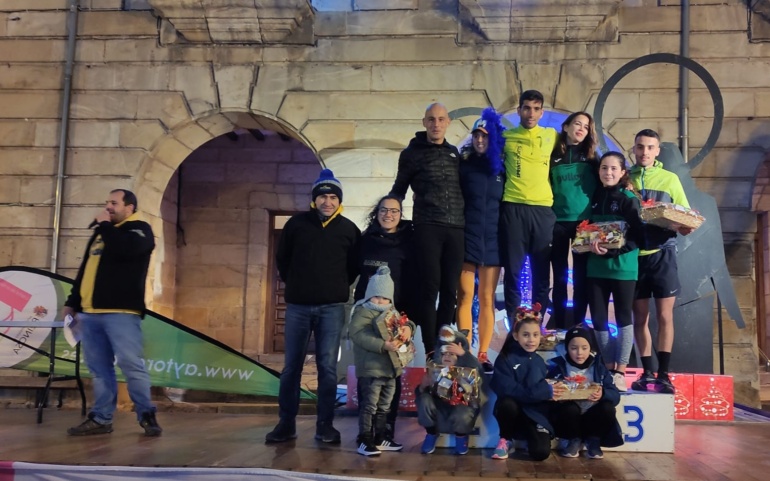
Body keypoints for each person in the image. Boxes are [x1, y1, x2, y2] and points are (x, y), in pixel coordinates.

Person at [266, 169, 361, 444]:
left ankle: (325, 426)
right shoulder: (296, 225)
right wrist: (298, 284)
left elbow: (354, 267)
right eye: (322, 197)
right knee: (291, 368)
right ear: (314, 199)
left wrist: (334, 286)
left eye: (333, 197)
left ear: (339, 201)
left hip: (332, 308)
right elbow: (282, 259)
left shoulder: (349, 230)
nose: (327, 202)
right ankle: (286, 424)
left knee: (328, 369)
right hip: (298, 307)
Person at [63, 189, 161, 437]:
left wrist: (105, 226)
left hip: (121, 313)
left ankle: (146, 415)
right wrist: (72, 302)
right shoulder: (103, 233)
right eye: (106, 202)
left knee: (131, 365)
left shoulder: (139, 230)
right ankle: (101, 418)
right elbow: (86, 270)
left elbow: (125, 251)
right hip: (90, 314)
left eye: (114, 203)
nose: (108, 207)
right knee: (99, 369)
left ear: (129, 207)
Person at [390, 102, 464, 355]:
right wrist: (386, 217)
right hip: (427, 226)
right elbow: (398, 189)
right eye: (431, 119)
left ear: (448, 123)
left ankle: (444, 344)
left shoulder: (454, 153)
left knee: (450, 291)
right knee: (429, 288)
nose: (436, 124)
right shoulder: (411, 153)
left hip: (456, 227)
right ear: (424, 122)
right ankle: (431, 349)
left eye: (441, 119)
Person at [628, 130, 693, 394]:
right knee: (639, 318)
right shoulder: (625, 177)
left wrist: (685, 225)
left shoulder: (670, 179)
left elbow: (686, 215)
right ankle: (647, 373)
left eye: (650, 147)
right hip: (634, 256)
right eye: (640, 147)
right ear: (634, 149)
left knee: (665, 316)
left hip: (663, 254)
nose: (644, 152)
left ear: (657, 151)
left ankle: (664, 375)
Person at [354, 194, 417, 440]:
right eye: (383, 210)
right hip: (367, 315)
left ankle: (385, 430)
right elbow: (351, 270)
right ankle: (365, 433)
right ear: (376, 212)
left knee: (392, 373)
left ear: (400, 215)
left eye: (394, 211)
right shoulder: (364, 241)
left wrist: (409, 323)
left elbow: (413, 283)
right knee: (368, 376)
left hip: (395, 318)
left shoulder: (408, 243)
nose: (388, 214)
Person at [583, 152, 644, 392]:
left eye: (613, 168)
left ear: (622, 172)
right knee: (598, 319)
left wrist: (614, 251)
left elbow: (639, 236)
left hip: (623, 268)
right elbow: (587, 230)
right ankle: (608, 368)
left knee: (623, 318)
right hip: (595, 268)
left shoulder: (629, 199)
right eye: (604, 168)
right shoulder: (594, 196)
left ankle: (621, 371)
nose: (608, 172)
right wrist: (586, 242)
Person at [499, 90, 558, 324]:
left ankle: (537, 327)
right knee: (513, 272)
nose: (531, 113)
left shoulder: (552, 135)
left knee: (541, 272)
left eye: (536, 109)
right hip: (513, 207)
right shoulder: (506, 137)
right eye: (526, 108)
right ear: (519, 111)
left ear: (542, 112)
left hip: (543, 210)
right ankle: (515, 327)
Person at [456, 107, 505, 366]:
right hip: (468, 239)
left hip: (493, 242)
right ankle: (464, 351)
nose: (479, 140)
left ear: (493, 138)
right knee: (464, 297)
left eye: (484, 136)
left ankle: (483, 354)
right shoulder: (464, 167)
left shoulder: (502, 169)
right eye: (476, 135)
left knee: (487, 298)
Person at [349, 266, 415, 456]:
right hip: (371, 369)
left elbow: (407, 323)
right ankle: (365, 439)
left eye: (385, 298)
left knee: (385, 406)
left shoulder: (393, 313)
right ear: (369, 295)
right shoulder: (362, 311)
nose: (380, 301)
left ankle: (381, 437)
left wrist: (408, 328)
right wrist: (382, 345)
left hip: (391, 370)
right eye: (376, 296)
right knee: (369, 406)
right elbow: (357, 334)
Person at [489, 304, 564, 461]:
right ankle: (506, 438)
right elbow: (508, 389)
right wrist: (541, 391)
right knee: (507, 403)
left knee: (541, 453)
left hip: (535, 414)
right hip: (514, 412)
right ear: (516, 336)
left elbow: (543, 392)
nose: (531, 340)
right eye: (526, 335)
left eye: (535, 335)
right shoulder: (505, 359)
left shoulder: (540, 362)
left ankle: (532, 436)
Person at [548, 112, 599, 329]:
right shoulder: (552, 156)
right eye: (577, 124)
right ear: (566, 126)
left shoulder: (592, 158)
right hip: (557, 223)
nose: (581, 129)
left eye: (586, 127)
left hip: (584, 225)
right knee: (559, 277)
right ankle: (560, 325)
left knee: (580, 278)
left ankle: (578, 325)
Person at [547, 327, 623, 459]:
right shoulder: (558, 367)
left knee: (608, 408)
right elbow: (548, 389)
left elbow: (615, 396)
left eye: (584, 348)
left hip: (592, 413)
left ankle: (593, 440)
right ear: (566, 348)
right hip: (570, 415)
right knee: (568, 409)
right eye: (573, 348)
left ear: (590, 349)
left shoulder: (599, 367)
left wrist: (603, 394)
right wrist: (556, 392)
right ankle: (573, 439)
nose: (579, 353)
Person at [416, 326, 482, 456]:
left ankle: (461, 437)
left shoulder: (469, 369)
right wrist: (422, 386)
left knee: (464, 411)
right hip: (438, 409)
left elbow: (478, 370)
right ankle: (431, 434)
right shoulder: (433, 369)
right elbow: (420, 396)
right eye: (444, 353)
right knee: (424, 399)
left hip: (460, 409)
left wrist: (463, 354)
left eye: (451, 354)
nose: (447, 356)